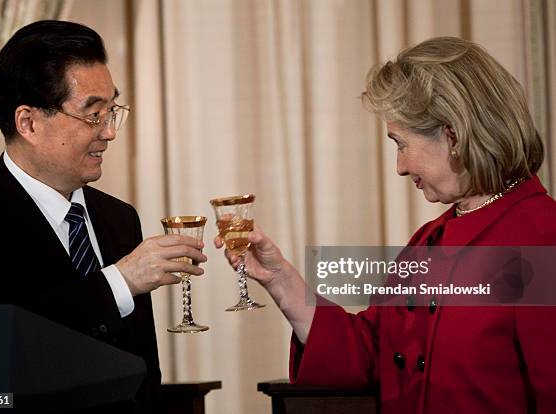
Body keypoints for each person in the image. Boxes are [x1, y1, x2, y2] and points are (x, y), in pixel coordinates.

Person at [216, 37, 556, 412]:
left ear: (453, 135)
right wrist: (278, 278)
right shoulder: (429, 240)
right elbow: (372, 354)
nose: (400, 167)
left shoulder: (542, 237)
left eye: (401, 144)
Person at [0, 20, 206, 411]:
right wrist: (118, 283)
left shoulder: (119, 218)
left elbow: (144, 374)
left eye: (111, 111)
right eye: (93, 115)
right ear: (28, 123)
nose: (109, 132)